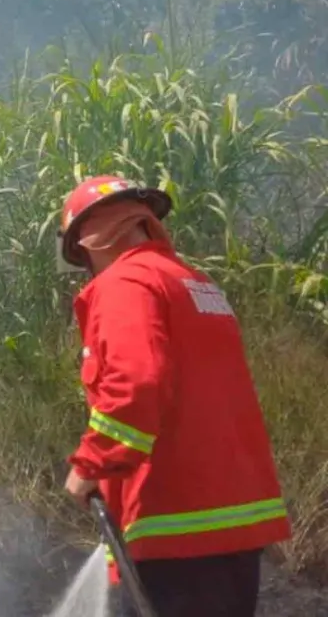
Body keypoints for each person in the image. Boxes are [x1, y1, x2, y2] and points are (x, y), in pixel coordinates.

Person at [57, 174, 292, 617]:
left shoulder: (126, 284)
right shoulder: (195, 284)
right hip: (234, 529)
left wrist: (92, 463)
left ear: (92, 239)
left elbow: (136, 382)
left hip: (174, 526)